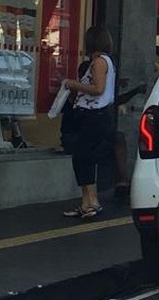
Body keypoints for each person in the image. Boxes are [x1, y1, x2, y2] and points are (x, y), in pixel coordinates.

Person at [61, 26, 116, 219]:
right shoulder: (105, 61)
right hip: (97, 116)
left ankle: (92, 202)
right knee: (84, 157)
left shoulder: (99, 62)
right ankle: (87, 202)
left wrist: (74, 84)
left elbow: (98, 88)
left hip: (94, 115)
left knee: (84, 157)